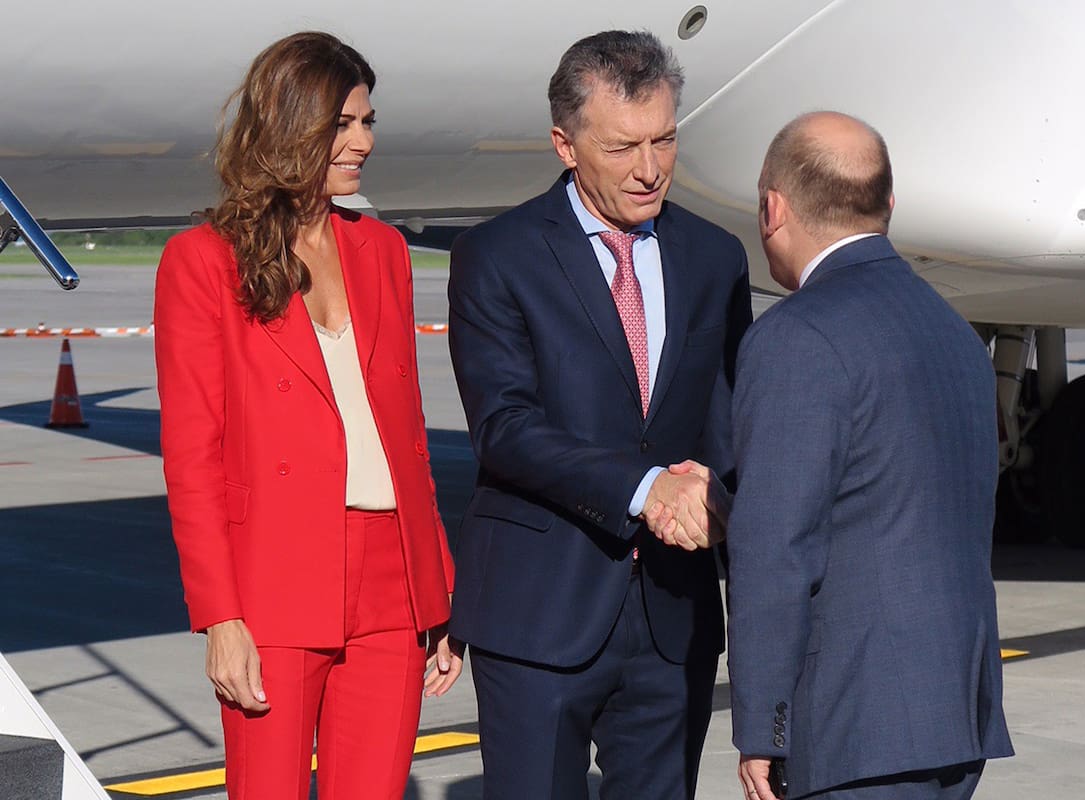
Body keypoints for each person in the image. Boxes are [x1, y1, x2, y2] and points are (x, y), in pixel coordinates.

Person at [153, 32, 460, 800]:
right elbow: (194, 459)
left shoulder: (383, 249)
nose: (364, 142)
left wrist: (437, 591)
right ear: (292, 125)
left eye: (367, 121)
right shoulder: (203, 259)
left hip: (392, 581)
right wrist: (221, 618)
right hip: (275, 583)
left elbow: (407, 433)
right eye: (344, 124)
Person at [446, 29, 752, 800]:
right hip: (539, 615)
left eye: (665, 139)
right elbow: (503, 426)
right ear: (565, 144)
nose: (650, 169)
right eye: (622, 147)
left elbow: (728, 422)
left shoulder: (716, 258)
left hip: (673, 618)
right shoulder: (497, 254)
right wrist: (646, 487)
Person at [725, 112, 1014, 800]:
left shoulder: (796, 337)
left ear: (773, 210)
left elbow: (777, 551)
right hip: (951, 714)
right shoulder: (952, 330)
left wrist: (763, 727)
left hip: (857, 723)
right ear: (887, 204)